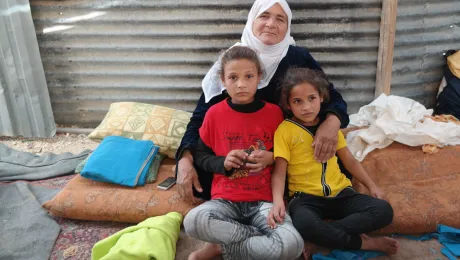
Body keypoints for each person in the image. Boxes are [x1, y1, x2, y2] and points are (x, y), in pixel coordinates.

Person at [176, 0, 350, 203]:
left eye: (280, 19)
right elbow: (200, 117)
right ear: (252, 20)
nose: (271, 24)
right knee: (202, 173)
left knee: (335, 167)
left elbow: (333, 98)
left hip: (287, 149)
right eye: (264, 16)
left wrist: (331, 124)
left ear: (288, 26)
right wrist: (185, 159)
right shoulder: (233, 61)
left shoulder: (298, 57)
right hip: (237, 152)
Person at [183, 46, 303, 260]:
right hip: (224, 201)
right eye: (233, 77)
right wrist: (223, 163)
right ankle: (254, 236)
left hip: (263, 202)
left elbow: (292, 154)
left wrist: (271, 157)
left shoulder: (275, 114)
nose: (241, 84)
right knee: (193, 221)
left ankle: (224, 247)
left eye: (249, 76)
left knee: (293, 245)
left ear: (259, 78)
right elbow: (201, 156)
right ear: (222, 80)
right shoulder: (214, 113)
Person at [268, 68, 400, 259]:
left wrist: (372, 186)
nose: (306, 107)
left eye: (311, 98)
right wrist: (278, 201)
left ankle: (321, 237)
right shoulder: (285, 131)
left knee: (383, 210)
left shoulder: (328, 129)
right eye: (298, 101)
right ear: (288, 105)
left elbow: (349, 161)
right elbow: (279, 172)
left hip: (341, 194)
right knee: (304, 224)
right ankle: (364, 243)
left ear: (321, 98)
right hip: (305, 199)